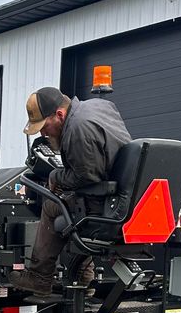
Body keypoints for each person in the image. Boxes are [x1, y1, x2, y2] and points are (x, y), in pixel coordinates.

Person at [7, 86, 131, 296]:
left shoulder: (77, 129)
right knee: (74, 202)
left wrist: (55, 176)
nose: (44, 134)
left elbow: (86, 177)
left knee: (53, 206)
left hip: (106, 202)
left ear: (60, 114)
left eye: (45, 127)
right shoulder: (99, 106)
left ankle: (39, 277)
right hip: (121, 196)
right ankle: (82, 276)